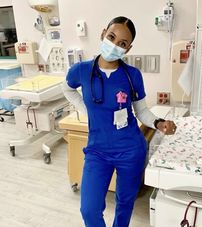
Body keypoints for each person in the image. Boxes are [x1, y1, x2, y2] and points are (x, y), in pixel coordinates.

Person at [62, 16, 176, 227]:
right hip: (97, 151)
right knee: (89, 209)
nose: (114, 45)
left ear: (128, 48)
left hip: (131, 150)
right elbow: (67, 89)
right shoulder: (81, 70)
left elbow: (141, 111)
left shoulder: (132, 75)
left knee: (125, 202)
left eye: (122, 44)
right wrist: (84, 109)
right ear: (103, 33)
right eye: (111, 37)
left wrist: (159, 123)